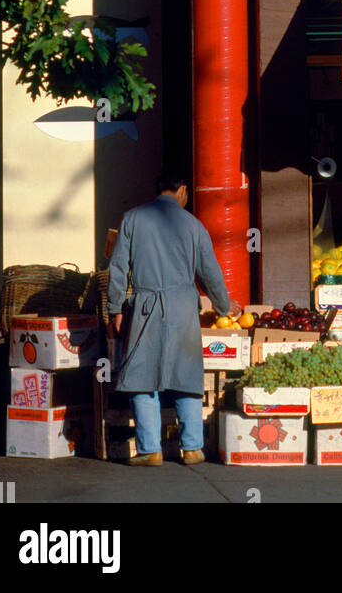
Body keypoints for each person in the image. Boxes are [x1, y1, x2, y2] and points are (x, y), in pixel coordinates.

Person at [108, 169, 238, 466]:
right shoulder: (194, 224)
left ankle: (149, 450)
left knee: (142, 378)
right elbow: (210, 272)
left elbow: (118, 268)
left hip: (145, 306)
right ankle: (192, 449)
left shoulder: (132, 218)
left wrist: (115, 308)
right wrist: (222, 306)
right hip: (183, 307)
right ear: (182, 190)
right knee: (187, 376)